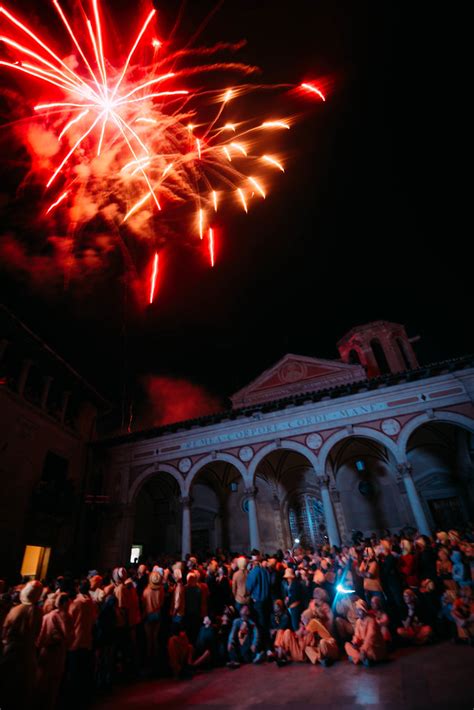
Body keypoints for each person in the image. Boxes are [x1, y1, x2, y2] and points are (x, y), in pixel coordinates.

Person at [0, 580, 43, 709]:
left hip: (11, 650)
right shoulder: (37, 612)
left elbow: (5, 631)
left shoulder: (15, 610)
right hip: (28, 653)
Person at [36, 592, 73, 710]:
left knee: (46, 682)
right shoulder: (63, 616)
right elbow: (68, 636)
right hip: (55, 651)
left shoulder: (49, 616)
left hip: (49, 651)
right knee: (51, 683)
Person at [69, 578, 98, 701]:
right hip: (87, 638)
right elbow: (94, 619)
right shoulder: (90, 602)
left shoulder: (76, 603)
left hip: (76, 639)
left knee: (75, 670)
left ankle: (75, 696)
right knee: (85, 668)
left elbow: (69, 620)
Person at [345, 599, 387, 666]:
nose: (357, 613)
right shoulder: (358, 621)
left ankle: (357, 658)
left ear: (364, 610)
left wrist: (363, 649)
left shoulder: (371, 620)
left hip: (373, 646)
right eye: (356, 610)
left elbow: (370, 638)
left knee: (370, 651)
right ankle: (361, 657)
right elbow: (357, 635)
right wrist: (355, 642)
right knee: (347, 645)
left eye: (359, 610)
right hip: (363, 647)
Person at [142, 571, 164, 667]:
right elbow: (162, 603)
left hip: (148, 614)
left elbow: (143, 605)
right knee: (155, 638)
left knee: (148, 639)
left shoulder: (146, 591)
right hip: (158, 614)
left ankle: (149, 659)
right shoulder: (161, 590)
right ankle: (156, 658)